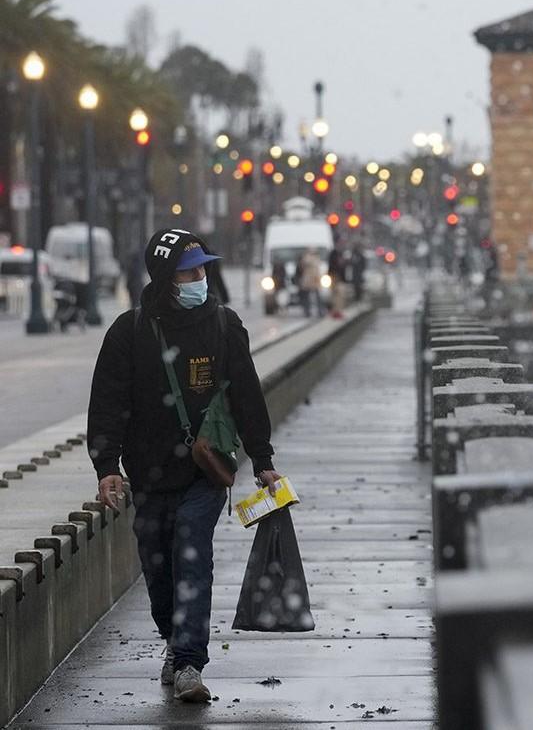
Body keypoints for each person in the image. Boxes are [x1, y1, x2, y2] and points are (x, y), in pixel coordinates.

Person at [88, 228, 280, 703]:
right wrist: (106, 466)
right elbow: (108, 403)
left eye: (203, 269)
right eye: (189, 270)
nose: (200, 278)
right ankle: (174, 640)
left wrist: (263, 460)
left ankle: (190, 661)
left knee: (192, 552)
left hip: (204, 471)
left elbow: (248, 395)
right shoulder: (128, 332)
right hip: (149, 474)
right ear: (164, 277)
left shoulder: (223, 325)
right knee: (158, 567)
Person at [297, 247, 323, 318]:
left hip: (315, 279)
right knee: (307, 297)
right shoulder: (307, 258)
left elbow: (318, 269)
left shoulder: (316, 258)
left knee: (317, 296)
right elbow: (304, 264)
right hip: (308, 279)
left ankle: (320, 311)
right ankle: (307, 311)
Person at [327, 240, 348, 319]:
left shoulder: (341, 253)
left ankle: (338, 311)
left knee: (340, 296)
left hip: (340, 278)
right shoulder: (334, 254)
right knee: (335, 296)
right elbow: (333, 267)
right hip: (335, 278)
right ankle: (335, 311)